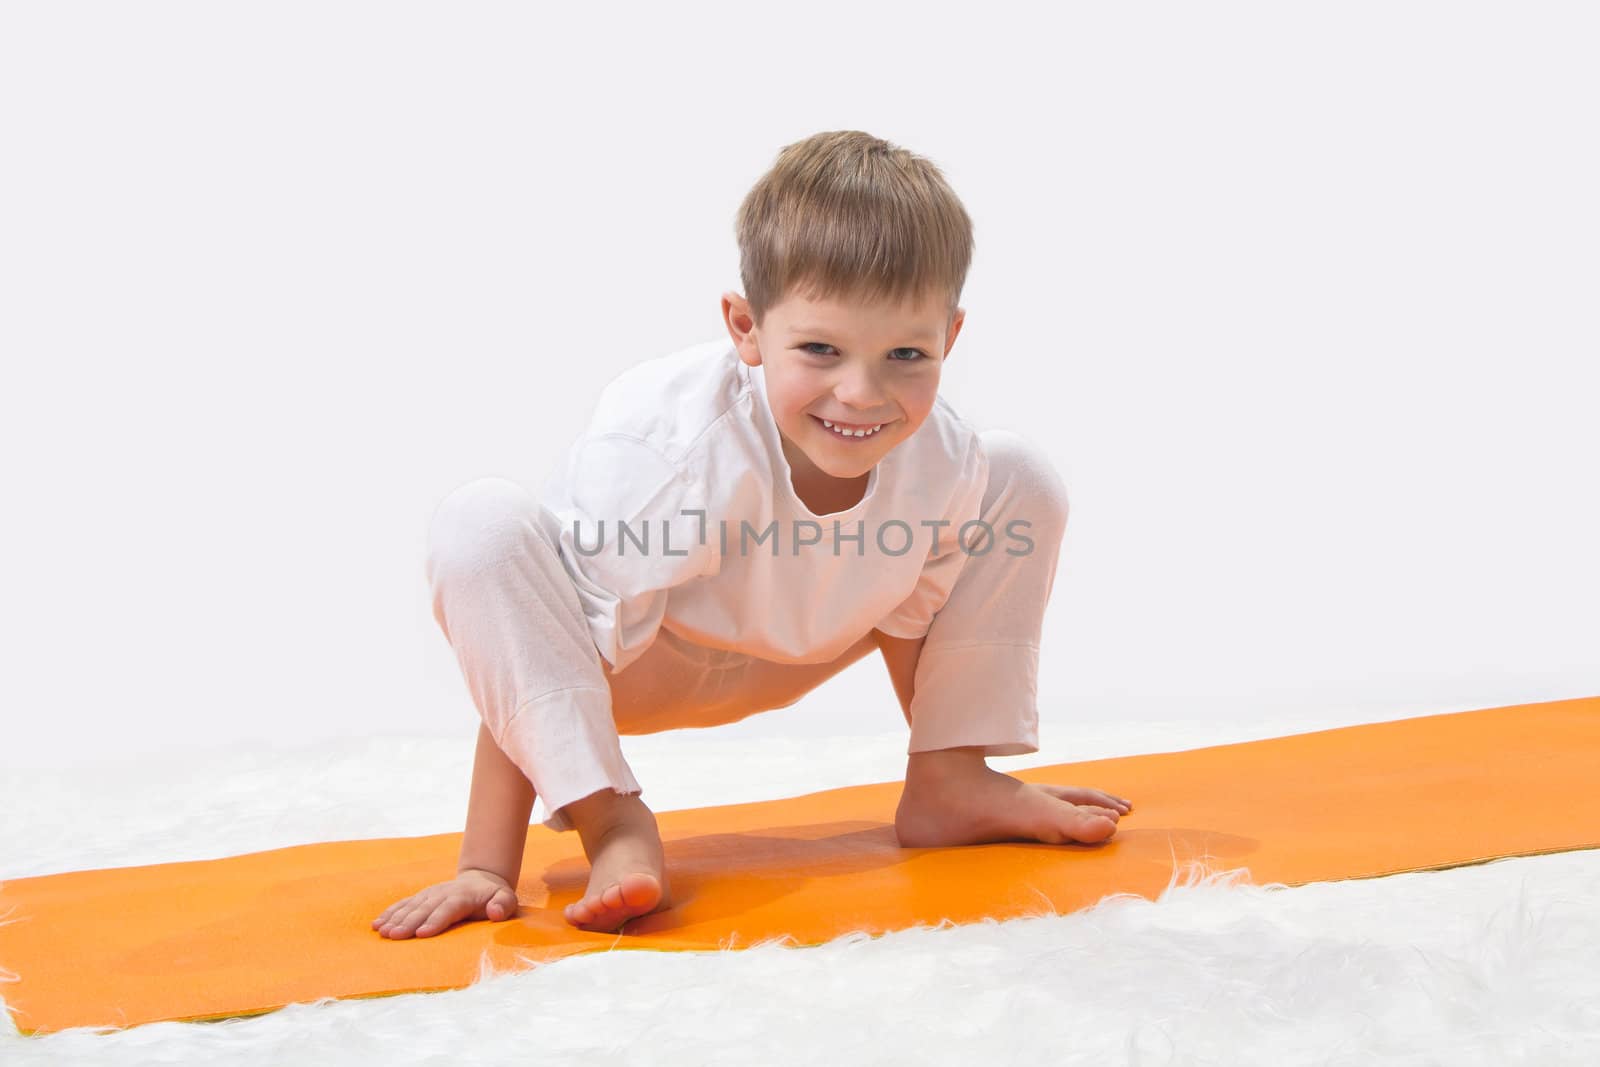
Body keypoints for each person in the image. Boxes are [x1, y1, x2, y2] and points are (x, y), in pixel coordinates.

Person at [372, 129, 1134, 940]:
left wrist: (946, 754)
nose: (861, 393)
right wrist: (484, 864)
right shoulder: (666, 452)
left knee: (1019, 474)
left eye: (905, 353)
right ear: (745, 328)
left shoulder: (942, 457)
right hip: (635, 660)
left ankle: (950, 782)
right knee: (478, 526)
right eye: (819, 350)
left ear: (950, 336)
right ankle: (617, 823)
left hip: (810, 637)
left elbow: (916, 615)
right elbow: (535, 655)